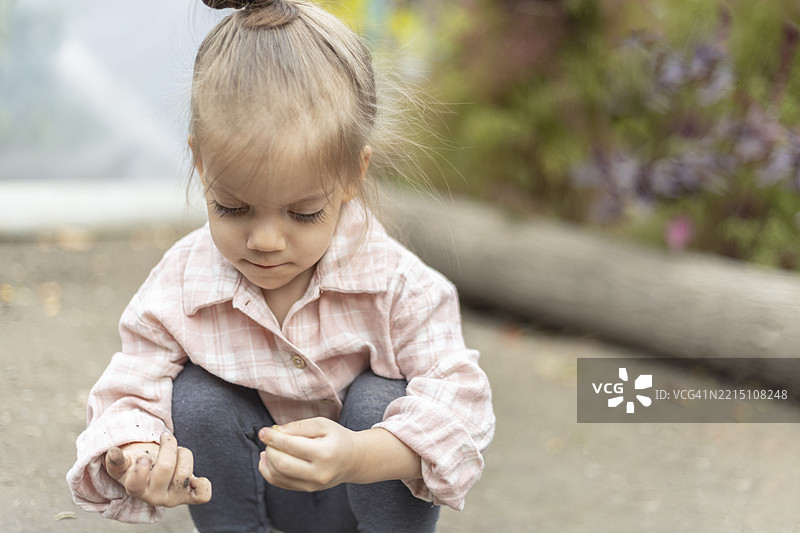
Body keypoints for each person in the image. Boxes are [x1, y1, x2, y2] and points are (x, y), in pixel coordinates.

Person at [66, 0, 495, 531]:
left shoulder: (398, 285)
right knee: (196, 399)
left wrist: (362, 453)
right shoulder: (184, 283)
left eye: (303, 212)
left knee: (379, 401)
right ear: (200, 164)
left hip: (360, 490)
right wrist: (134, 453)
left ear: (352, 175)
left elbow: (463, 405)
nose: (266, 241)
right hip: (258, 494)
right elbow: (130, 385)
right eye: (233, 207)